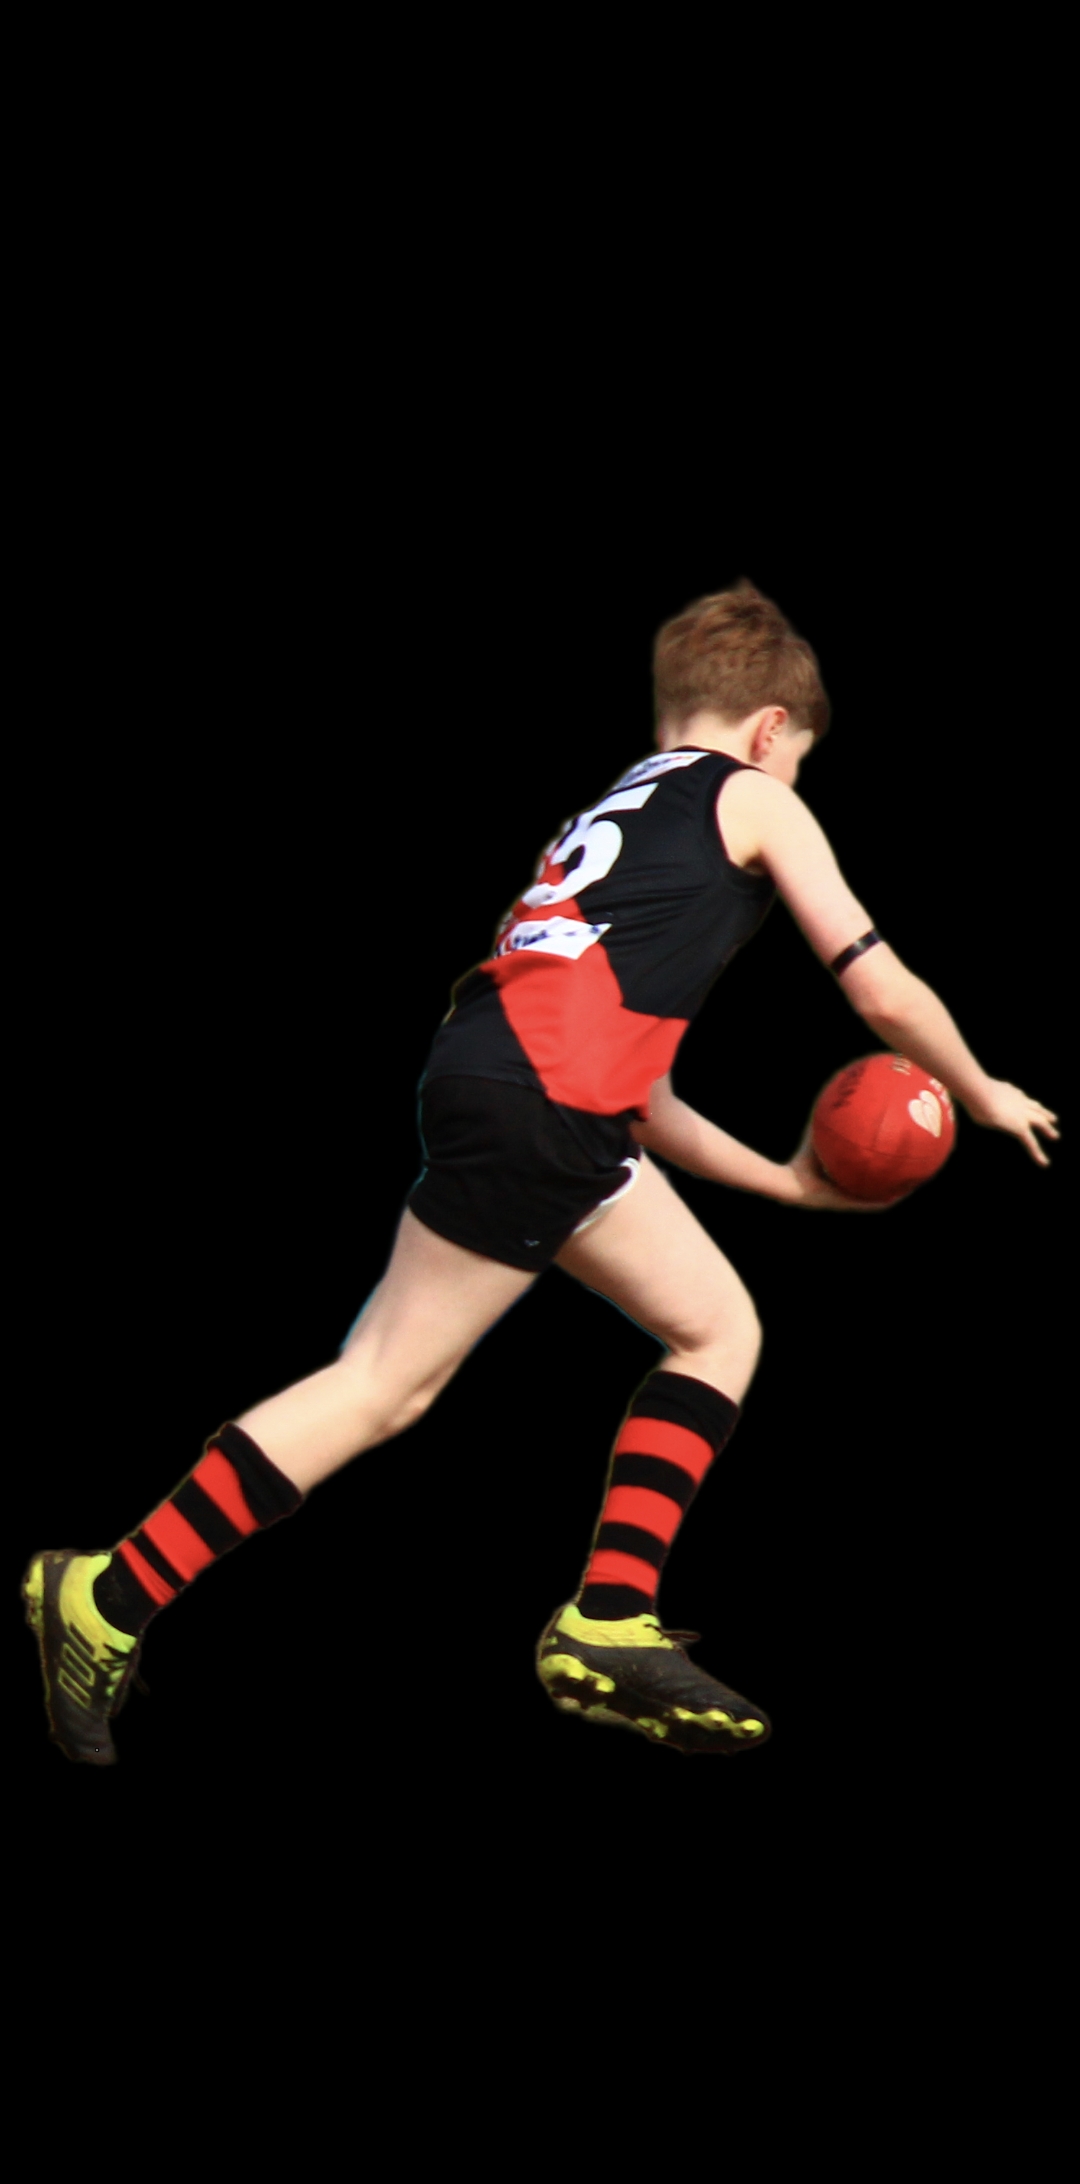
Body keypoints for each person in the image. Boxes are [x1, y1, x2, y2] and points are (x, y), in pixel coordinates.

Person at [23, 581, 1060, 1765]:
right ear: (771, 728)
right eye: (799, 760)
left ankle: (601, 1617)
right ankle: (114, 1595)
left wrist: (786, 1184)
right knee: (384, 1385)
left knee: (709, 1328)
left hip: (498, 1076)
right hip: (548, 1100)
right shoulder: (756, 798)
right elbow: (878, 987)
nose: (793, 779)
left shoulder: (601, 818)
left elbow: (643, 1098)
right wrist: (982, 1090)